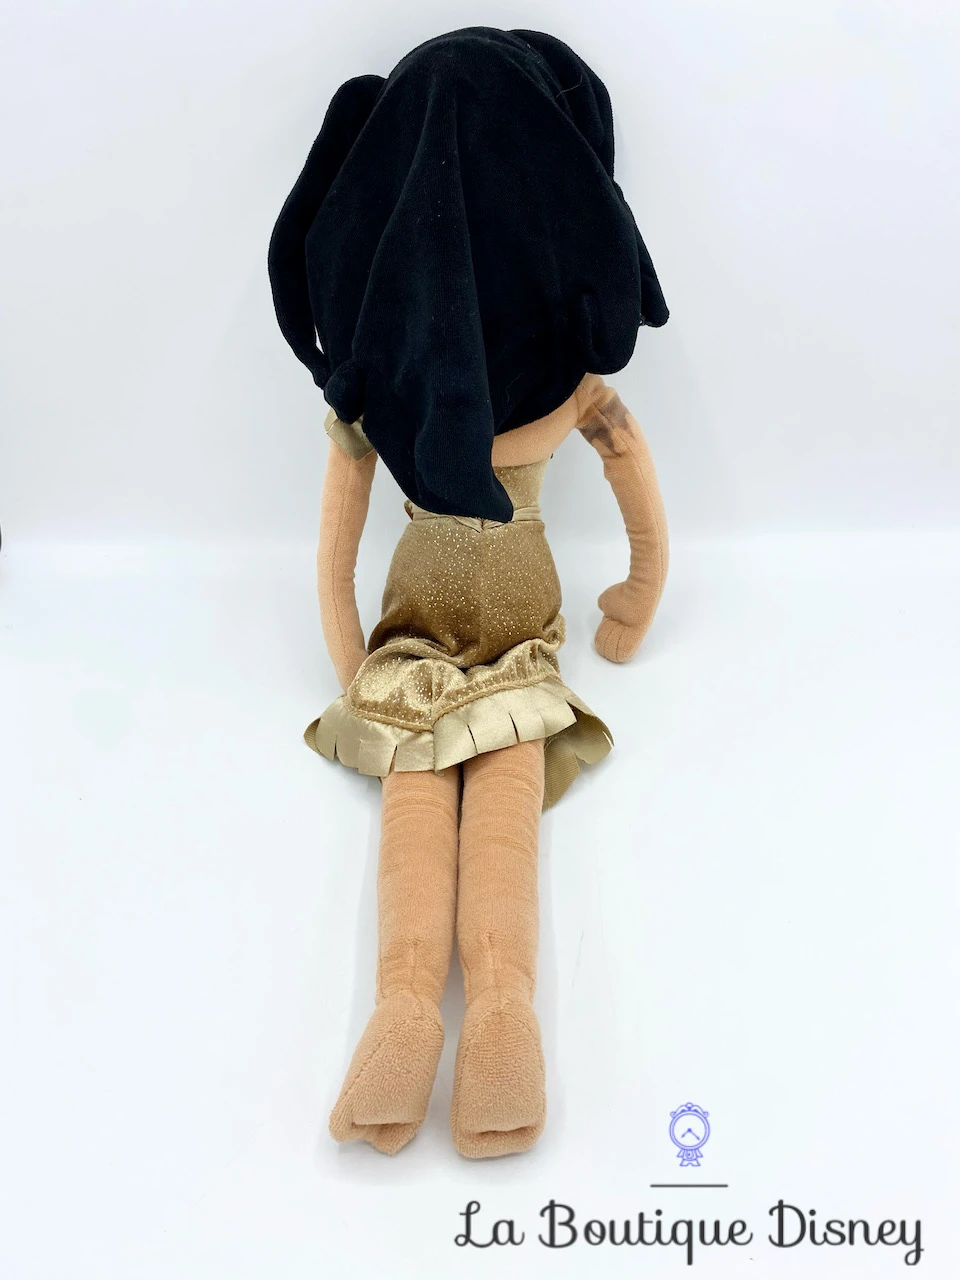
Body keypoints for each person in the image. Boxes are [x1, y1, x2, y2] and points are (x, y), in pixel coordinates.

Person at [268, 26, 669, 1158]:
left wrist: (352, 659)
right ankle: (502, 1016)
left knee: (416, 800)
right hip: (521, 638)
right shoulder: (569, 386)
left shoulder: (379, 393)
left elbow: (335, 545)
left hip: (412, 638)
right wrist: (635, 598)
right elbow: (635, 485)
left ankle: (404, 1010)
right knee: (503, 805)